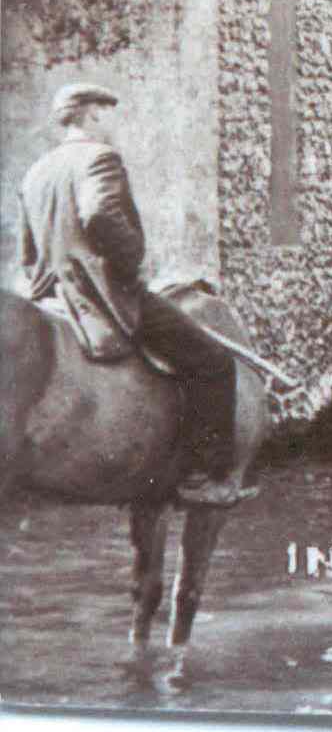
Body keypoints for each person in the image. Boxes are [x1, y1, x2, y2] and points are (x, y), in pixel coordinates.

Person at [16, 83, 252, 506]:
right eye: (108, 112)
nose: (113, 123)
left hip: (52, 298)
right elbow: (99, 215)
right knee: (213, 361)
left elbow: (28, 252)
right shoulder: (99, 158)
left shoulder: (37, 171)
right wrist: (130, 263)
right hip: (104, 296)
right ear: (92, 115)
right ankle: (207, 479)